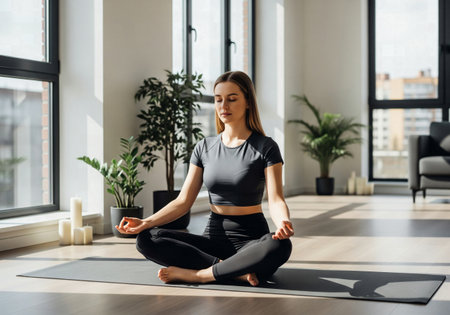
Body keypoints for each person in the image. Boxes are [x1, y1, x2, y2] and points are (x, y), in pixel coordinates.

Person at [115, 71, 294, 286]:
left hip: (251, 241)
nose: (223, 106)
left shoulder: (266, 147)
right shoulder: (204, 147)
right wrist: (145, 222)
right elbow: (183, 201)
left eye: (232, 99)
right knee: (147, 238)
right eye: (218, 99)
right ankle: (232, 271)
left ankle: (200, 274)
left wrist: (283, 222)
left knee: (280, 246)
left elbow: (275, 199)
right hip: (212, 240)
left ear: (248, 102)